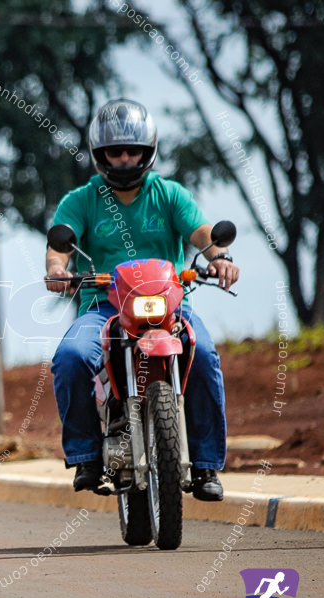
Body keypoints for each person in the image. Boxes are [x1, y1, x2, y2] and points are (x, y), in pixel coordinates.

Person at [45, 98, 239, 502]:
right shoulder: (82, 199)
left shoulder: (169, 194)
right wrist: (58, 270)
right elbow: (60, 244)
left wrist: (218, 257)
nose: (125, 159)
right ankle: (86, 456)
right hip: (104, 306)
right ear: (100, 155)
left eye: (133, 150)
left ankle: (205, 464)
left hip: (169, 306)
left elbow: (201, 233)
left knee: (202, 353)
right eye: (115, 152)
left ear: (148, 151)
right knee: (70, 357)